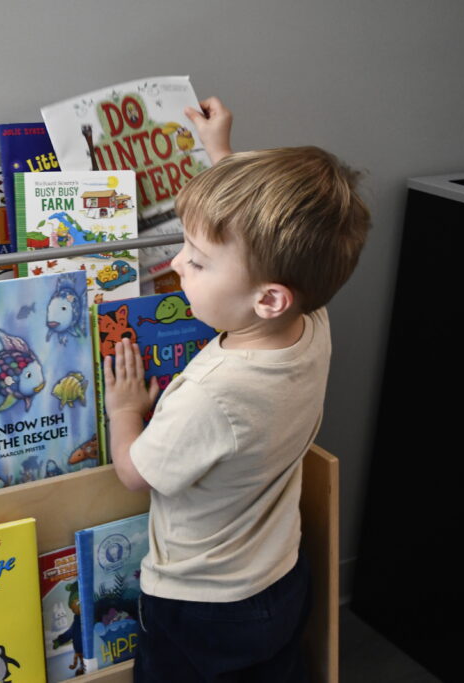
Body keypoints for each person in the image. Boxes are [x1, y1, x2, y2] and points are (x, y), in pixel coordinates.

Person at [104, 97, 370, 682]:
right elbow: (262, 243)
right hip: (278, 572)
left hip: (200, 603)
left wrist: (125, 408)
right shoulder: (310, 322)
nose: (177, 263)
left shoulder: (209, 394)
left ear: (269, 297)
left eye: (198, 263)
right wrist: (219, 153)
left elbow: (135, 473)